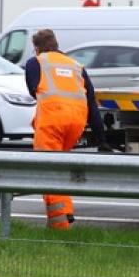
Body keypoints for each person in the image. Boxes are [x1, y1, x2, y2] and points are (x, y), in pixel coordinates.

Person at [24, 29, 109, 230]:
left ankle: (60, 224)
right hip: (77, 122)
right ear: (56, 44)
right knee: (59, 167)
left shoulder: (36, 62)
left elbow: (32, 90)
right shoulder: (76, 66)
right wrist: (101, 138)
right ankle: (66, 211)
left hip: (53, 121)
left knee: (48, 171)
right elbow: (92, 104)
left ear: (36, 48)